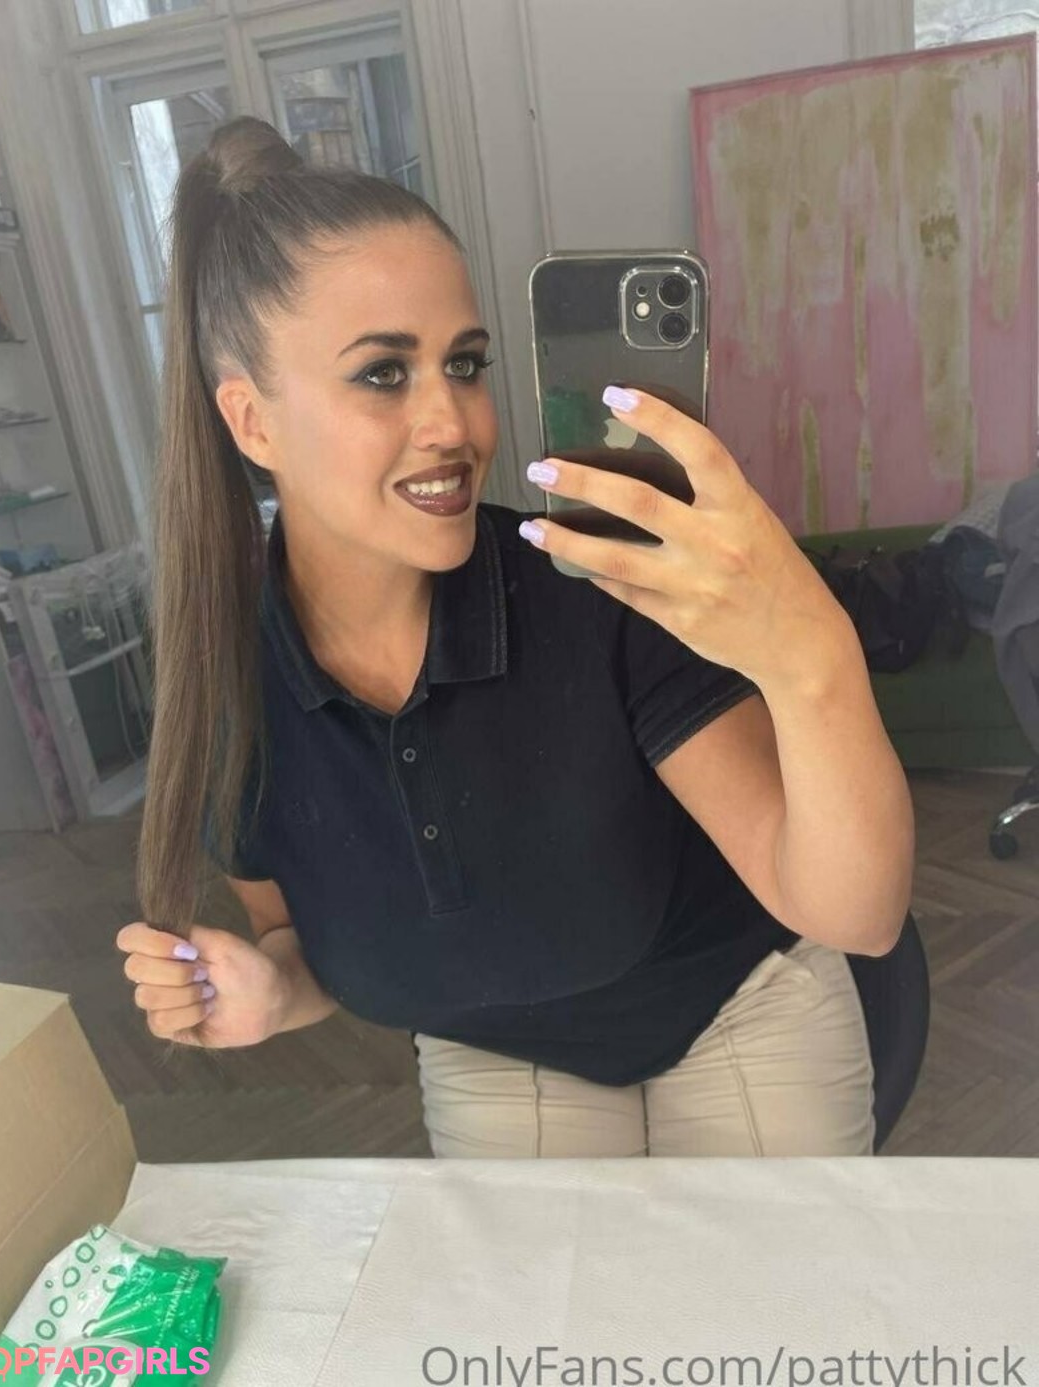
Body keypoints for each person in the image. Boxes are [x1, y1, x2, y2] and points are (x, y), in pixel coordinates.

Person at [118, 116, 915, 1158]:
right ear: (252, 420)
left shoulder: (589, 587)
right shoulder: (229, 695)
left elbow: (855, 913)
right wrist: (273, 986)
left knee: (760, 1272)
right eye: (384, 373)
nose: (455, 424)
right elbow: (302, 941)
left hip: (728, 1002)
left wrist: (811, 656)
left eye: (466, 363)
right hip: (493, 1051)